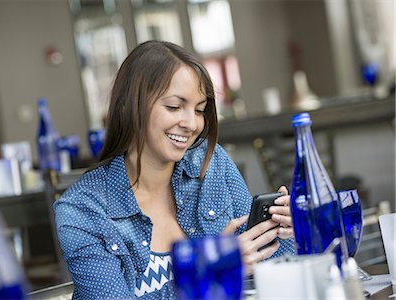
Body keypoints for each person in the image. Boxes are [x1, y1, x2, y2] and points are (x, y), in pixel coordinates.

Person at [54, 40, 295, 299]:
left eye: (200, 110)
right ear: (129, 106)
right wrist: (210, 269)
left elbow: (264, 266)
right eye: (173, 107)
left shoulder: (210, 164)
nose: (192, 124)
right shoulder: (82, 210)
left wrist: (286, 232)